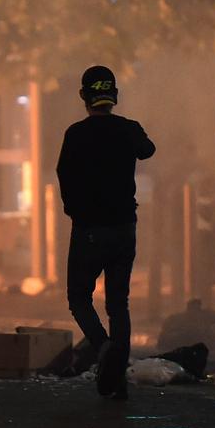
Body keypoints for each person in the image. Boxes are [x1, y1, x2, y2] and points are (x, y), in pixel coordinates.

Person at [56, 65, 156, 400]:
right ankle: (117, 375)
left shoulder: (75, 134)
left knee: (79, 297)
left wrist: (74, 211)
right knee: (118, 303)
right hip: (124, 227)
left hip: (88, 229)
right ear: (114, 95)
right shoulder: (128, 129)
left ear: (84, 96)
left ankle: (103, 349)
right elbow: (148, 149)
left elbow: (64, 175)